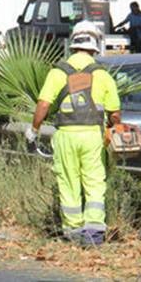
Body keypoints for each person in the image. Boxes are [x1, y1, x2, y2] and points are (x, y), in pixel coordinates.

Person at [26, 21, 121, 247]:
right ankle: (94, 232)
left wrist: (34, 130)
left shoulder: (58, 72)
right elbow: (115, 114)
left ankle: (73, 231)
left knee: (68, 182)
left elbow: (43, 105)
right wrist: (113, 128)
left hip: (66, 135)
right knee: (94, 181)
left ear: (73, 43)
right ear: (95, 46)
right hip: (93, 136)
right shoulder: (103, 75)